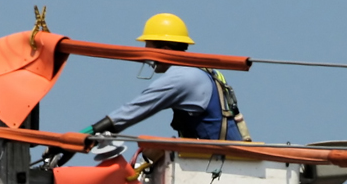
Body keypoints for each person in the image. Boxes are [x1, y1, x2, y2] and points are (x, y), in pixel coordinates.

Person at [68, 13, 252, 146]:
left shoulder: (181, 77)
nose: (148, 58)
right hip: (229, 158)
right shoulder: (202, 70)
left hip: (219, 162)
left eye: (149, 49)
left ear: (164, 49)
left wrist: (84, 134)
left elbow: (132, 111)